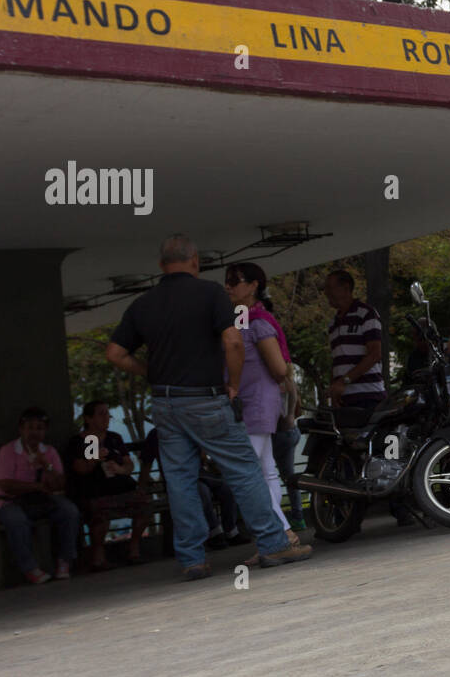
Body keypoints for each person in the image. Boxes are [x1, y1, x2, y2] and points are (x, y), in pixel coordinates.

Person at [105, 234, 312, 580]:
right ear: (195, 261)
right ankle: (273, 544)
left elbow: (114, 353)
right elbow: (232, 340)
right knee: (244, 470)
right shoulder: (210, 294)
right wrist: (232, 383)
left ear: (161, 265)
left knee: (181, 479)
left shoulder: (143, 304)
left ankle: (192, 559)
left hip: (165, 403)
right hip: (206, 396)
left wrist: (150, 372)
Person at [224, 262, 300, 544]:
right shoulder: (246, 319)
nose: (229, 286)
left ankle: (278, 533)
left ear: (254, 285)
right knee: (265, 469)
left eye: (236, 280)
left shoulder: (257, 322)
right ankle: (279, 533)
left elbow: (279, 369)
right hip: (251, 402)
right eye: (228, 280)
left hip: (255, 402)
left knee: (249, 470)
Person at [0, 406, 81, 583]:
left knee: (69, 511)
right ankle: (30, 568)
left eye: (39, 428)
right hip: (13, 501)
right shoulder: (9, 451)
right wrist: (36, 486)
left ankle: (64, 561)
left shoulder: (49, 452)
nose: (34, 432)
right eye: (30, 427)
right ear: (21, 429)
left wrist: (46, 465)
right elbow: (5, 484)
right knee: (16, 521)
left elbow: (60, 484)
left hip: (43, 501)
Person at [64, 400, 151, 568]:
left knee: (144, 502)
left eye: (107, 413)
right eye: (101, 414)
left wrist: (120, 469)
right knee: (99, 509)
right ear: (88, 418)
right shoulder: (81, 441)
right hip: (95, 490)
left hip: (121, 486)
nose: (106, 418)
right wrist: (94, 459)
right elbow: (80, 469)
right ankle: (98, 556)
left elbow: (129, 464)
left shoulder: (114, 439)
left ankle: (133, 549)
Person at [325, 269, 386, 409]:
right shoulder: (333, 323)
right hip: (344, 399)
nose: (326, 293)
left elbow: (375, 354)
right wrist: (334, 389)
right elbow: (336, 361)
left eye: (330, 288)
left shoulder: (366, 314)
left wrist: (343, 381)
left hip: (368, 396)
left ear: (346, 288)